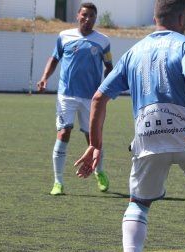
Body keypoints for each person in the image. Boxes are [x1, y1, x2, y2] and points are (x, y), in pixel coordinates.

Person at [74, 0, 185, 252]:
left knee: (138, 204)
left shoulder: (133, 52)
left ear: (155, 17)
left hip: (148, 133)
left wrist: (95, 144)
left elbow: (98, 98)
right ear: (183, 17)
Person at [37, 2, 113, 196]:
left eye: (92, 17)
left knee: (93, 139)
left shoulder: (103, 41)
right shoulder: (64, 36)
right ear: (78, 15)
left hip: (91, 98)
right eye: (85, 15)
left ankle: (99, 171)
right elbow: (54, 58)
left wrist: (107, 90)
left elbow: (109, 67)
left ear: (95, 19)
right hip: (67, 95)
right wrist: (45, 77)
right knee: (63, 133)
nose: (88, 20)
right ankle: (58, 182)